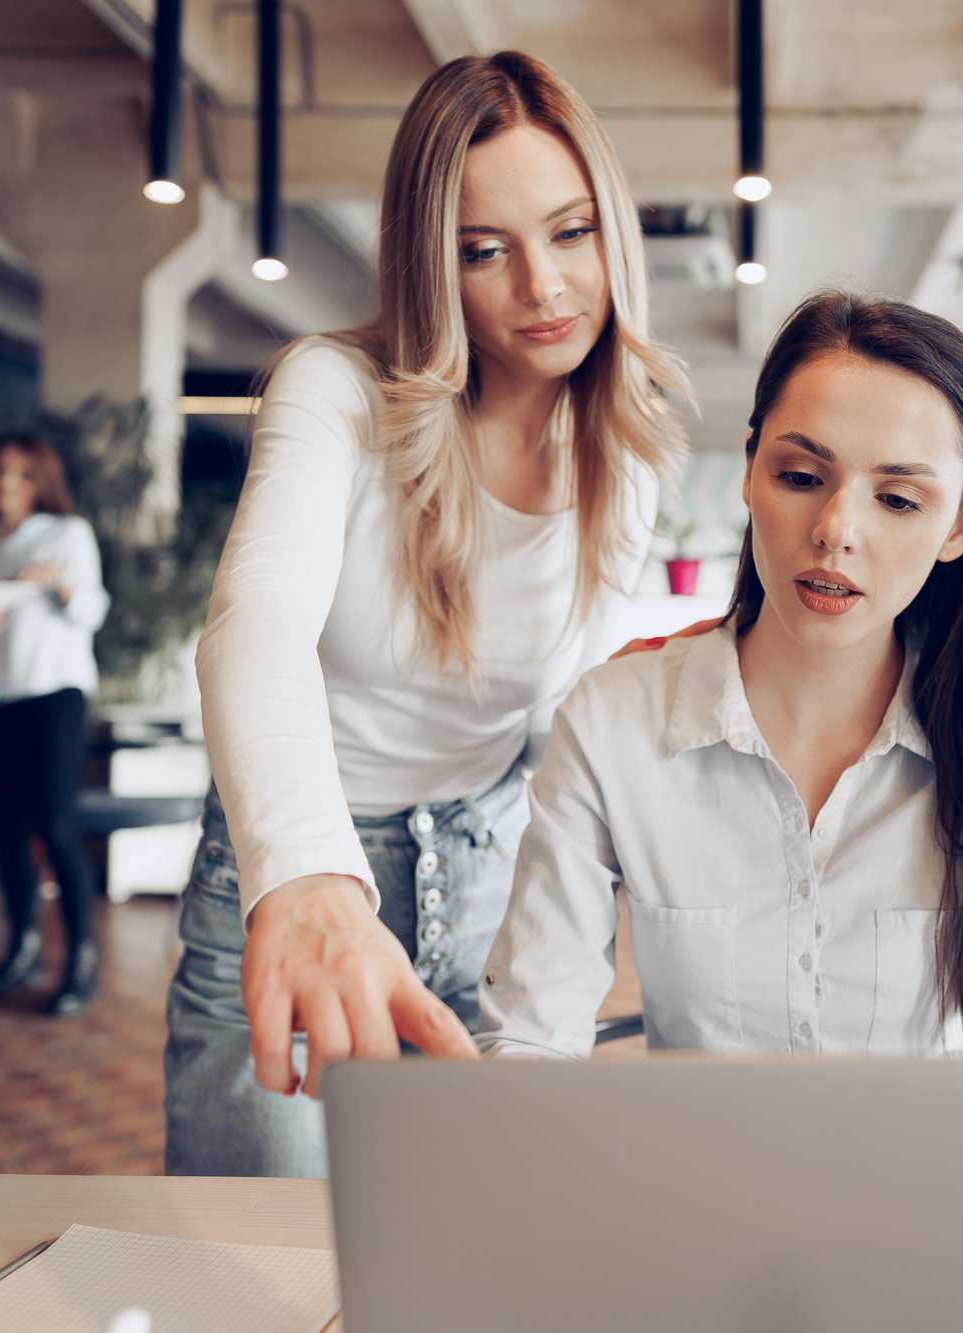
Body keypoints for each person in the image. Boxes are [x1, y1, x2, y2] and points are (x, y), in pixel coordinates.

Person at [164, 50, 694, 1176]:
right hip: (298, 863)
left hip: (488, 861)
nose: (542, 288)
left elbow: (571, 720)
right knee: (267, 1239)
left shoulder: (628, 455)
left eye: (570, 232)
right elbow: (248, 628)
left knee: (479, 1237)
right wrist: (306, 878)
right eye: (482, 251)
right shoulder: (335, 393)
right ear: (428, 265)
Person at [475, 291, 963, 1060]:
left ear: (962, 524)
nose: (836, 531)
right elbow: (527, 1037)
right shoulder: (615, 722)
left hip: (926, 1180)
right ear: (751, 470)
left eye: (898, 498)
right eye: (801, 476)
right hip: (700, 1179)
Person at [0, 434, 110, 1016]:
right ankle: (21, 950)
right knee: (5, 829)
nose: (5, 484)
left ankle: (80, 962)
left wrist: (62, 584)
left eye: (21, 475)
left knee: (55, 823)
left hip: (54, 696)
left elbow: (93, 611)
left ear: (41, 481)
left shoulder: (66, 533)